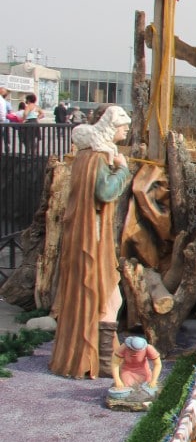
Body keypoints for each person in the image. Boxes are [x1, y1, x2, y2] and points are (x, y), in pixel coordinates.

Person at [49, 106, 133, 379]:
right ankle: (101, 359)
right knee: (106, 295)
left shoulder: (87, 155)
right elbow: (105, 192)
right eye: (123, 125)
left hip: (85, 233)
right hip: (93, 237)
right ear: (110, 125)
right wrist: (122, 171)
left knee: (103, 295)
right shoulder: (98, 157)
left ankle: (96, 354)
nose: (126, 130)